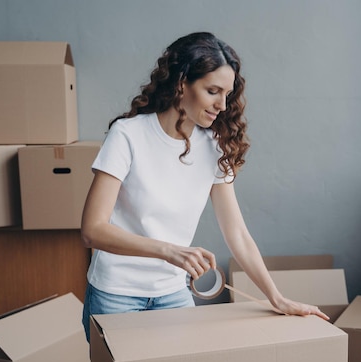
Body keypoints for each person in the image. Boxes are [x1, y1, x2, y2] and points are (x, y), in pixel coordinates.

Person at [80, 32, 328, 341]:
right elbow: (92, 230)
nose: (222, 105)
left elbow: (236, 232)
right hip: (115, 295)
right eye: (212, 91)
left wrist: (275, 297)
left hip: (173, 294)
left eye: (227, 94)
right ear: (182, 83)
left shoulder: (214, 147)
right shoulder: (128, 135)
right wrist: (170, 252)